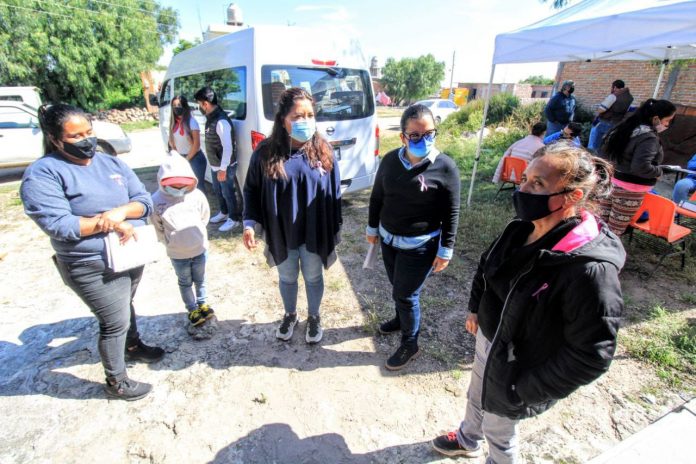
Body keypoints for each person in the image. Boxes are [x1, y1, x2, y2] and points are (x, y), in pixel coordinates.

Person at [431, 144, 624, 463]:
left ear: (573, 196)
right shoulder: (520, 228)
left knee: (500, 433)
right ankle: (468, 437)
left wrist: (523, 389)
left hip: (519, 370)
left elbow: (592, 354)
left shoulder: (589, 270)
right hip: (489, 342)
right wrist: (475, 308)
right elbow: (486, 265)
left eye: (537, 184)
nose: (522, 190)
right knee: (476, 395)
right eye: (523, 179)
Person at [20, 104, 164, 401]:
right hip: (89, 264)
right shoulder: (43, 173)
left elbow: (143, 201)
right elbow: (59, 224)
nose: (86, 140)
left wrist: (120, 212)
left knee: (126, 304)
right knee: (114, 320)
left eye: (89, 132)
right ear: (55, 138)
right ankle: (117, 381)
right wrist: (107, 224)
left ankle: (133, 347)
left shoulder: (110, 163)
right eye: (76, 136)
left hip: (129, 254)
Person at [242, 87, 341, 344]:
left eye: (309, 115)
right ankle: (290, 314)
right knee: (287, 277)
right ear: (282, 119)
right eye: (297, 116)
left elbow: (335, 193)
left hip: (313, 231)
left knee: (313, 276)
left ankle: (315, 316)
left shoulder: (324, 151)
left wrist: (332, 228)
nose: (305, 121)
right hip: (281, 231)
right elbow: (251, 190)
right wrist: (249, 224)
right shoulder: (265, 153)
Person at [367, 104, 461, 371]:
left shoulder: (445, 167)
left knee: (407, 295)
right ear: (403, 137)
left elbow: (452, 212)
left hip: (420, 246)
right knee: (397, 286)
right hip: (388, 240)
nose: (423, 140)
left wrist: (446, 250)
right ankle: (400, 319)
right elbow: (376, 198)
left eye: (429, 133)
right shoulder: (389, 160)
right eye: (415, 135)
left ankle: (411, 343)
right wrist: (372, 229)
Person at [151, 152, 216, 329]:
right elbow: (158, 226)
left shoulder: (196, 196)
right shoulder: (157, 201)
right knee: (185, 281)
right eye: (174, 185)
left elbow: (204, 216)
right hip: (177, 254)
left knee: (201, 279)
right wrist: (170, 242)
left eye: (183, 185)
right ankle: (192, 308)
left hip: (199, 249)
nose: (179, 188)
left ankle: (203, 303)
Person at [598, 98, 676, 236]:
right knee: (613, 232)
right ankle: (603, 255)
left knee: (599, 225)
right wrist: (658, 172)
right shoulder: (648, 137)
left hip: (610, 183)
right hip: (629, 191)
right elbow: (641, 167)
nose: (667, 125)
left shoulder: (625, 129)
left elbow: (604, 153)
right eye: (667, 121)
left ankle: (587, 252)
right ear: (656, 118)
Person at [194, 86, 239, 232]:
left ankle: (234, 219)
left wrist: (223, 169)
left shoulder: (221, 121)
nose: (199, 107)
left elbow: (228, 148)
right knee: (218, 191)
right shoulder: (211, 118)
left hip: (224, 166)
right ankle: (224, 213)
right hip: (215, 165)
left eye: (199, 104)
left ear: (205, 104)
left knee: (227, 192)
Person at [168, 95, 207, 194]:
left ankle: (202, 208)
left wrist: (186, 160)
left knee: (198, 188)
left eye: (179, 105)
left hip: (195, 159)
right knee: (184, 187)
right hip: (182, 158)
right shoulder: (173, 124)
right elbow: (173, 144)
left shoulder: (192, 122)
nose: (176, 107)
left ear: (184, 106)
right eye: (174, 105)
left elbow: (196, 145)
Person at [587, 80, 634, 151]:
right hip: (615, 124)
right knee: (603, 147)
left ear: (614, 87)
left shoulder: (614, 96)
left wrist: (598, 109)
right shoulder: (629, 98)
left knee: (593, 145)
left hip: (603, 122)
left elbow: (602, 109)